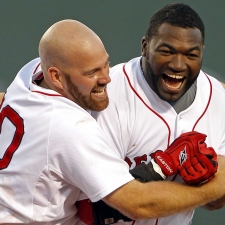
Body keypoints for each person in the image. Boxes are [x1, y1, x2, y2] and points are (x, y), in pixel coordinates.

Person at [0, 19, 225, 225]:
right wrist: (215, 184)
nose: (107, 78)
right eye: (91, 73)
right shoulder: (69, 127)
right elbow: (132, 205)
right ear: (56, 76)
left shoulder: (30, 75)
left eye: (105, 65)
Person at [91, 3, 225, 225]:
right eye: (167, 51)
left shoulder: (218, 99)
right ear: (145, 46)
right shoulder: (108, 95)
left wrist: (205, 181)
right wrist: (162, 168)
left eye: (191, 55)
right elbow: (96, 208)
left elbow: (215, 202)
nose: (178, 65)